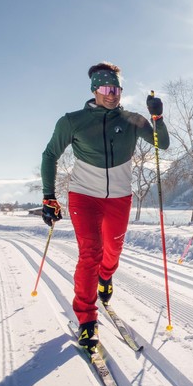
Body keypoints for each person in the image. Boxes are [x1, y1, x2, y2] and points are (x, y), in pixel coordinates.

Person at [40, 61, 169, 350]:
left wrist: (157, 116)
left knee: (112, 251)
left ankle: (106, 277)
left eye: (117, 88)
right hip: (83, 197)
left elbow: (163, 145)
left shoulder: (133, 120)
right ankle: (87, 321)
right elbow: (50, 155)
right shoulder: (72, 121)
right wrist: (49, 195)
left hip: (120, 198)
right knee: (90, 254)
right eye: (107, 88)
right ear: (94, 90)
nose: (113, 94)